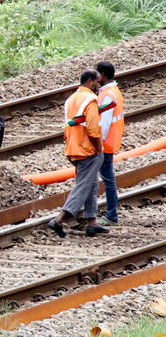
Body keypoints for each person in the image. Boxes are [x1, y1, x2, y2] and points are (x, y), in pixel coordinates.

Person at [48, 70, 108, 238]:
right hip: (88, 148)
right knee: (83, 184)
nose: (99, 86)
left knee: (91, 182)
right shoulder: (91, 99)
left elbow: (69, 125)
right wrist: (98, 149)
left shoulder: (71, 99)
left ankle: (91, 222)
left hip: (74, 147)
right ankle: (59, 219)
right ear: (90, 82)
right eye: (97, 82)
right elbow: (93, 129)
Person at [95, 61, 124, 226]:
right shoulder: (113, 91)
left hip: (105, 144)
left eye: (97, 75)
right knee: (108, 178)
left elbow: (104, 124)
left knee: (108, 179)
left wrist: (98, 144)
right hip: (109, 142)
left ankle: (111, 214)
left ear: (103, 76)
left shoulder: (107, 95)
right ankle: (109, 212)